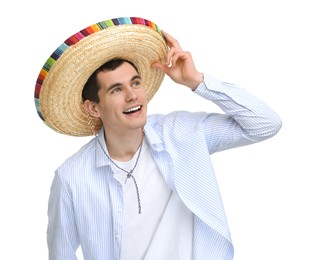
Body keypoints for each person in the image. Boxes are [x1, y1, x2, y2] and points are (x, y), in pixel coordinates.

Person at [34, 17, 282, 260]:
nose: (133, 96)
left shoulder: (182, 133)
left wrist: (197, 82)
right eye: (117, 89)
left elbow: (265, 124)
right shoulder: (72, 177)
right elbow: (61, 253)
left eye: (136, 83)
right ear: (93, 108)